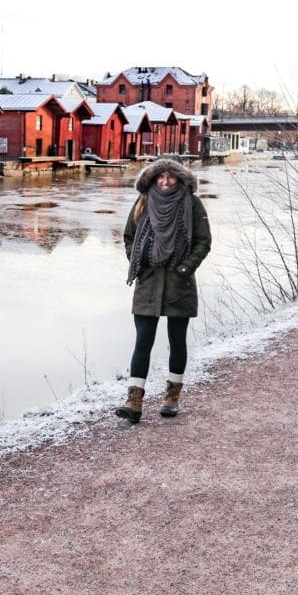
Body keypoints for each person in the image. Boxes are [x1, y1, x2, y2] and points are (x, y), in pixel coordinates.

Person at [116, 157, 211, 423]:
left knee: (176, 341)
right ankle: (134, 401)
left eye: (171, 177)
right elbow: (128, 238)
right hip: (148, 282)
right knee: (142, 341)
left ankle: (172, 397)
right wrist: (137, 261)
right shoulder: (144, 202)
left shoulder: (192, 204)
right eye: (161, 177)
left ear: (180, 179)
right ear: (153, 179)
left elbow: (203, 242)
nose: (165, 181)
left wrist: (183, 270)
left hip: (179, 283)